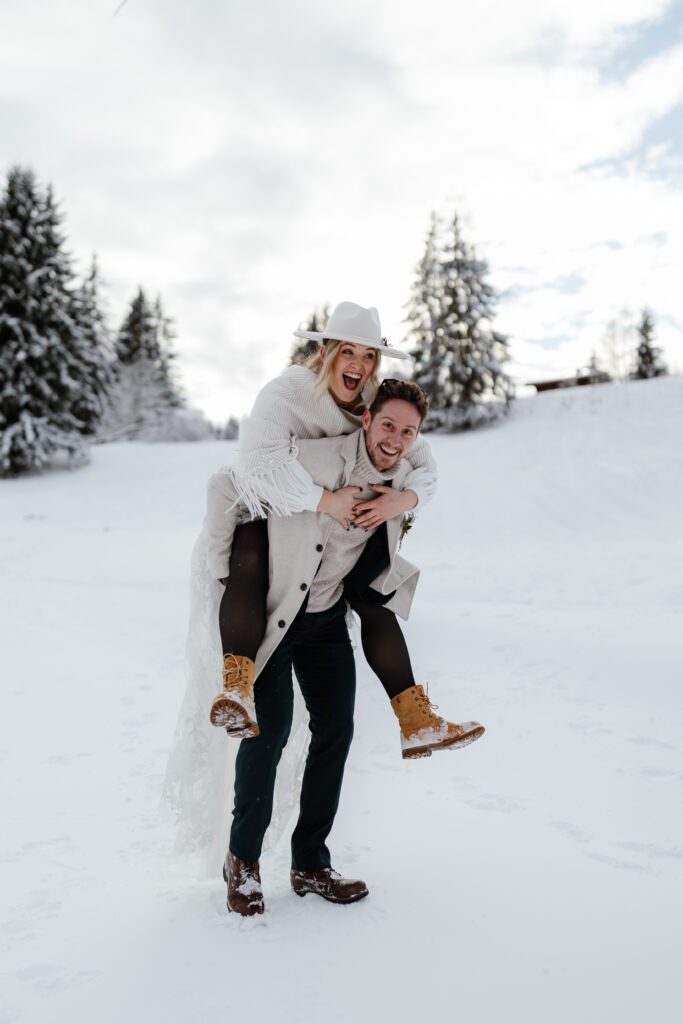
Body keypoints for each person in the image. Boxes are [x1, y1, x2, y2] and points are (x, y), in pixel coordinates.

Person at [224, 383, 484, 915]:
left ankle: (310, 863)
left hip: (324, 622)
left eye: (408, 432)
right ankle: (242, 863)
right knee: (267, 736)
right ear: (365, 419)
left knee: (336, 733)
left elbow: (431, 477)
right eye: (387, 425)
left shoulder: (404, 474)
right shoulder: (314, 458)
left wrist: (404, 498)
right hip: (275, 617)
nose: (396, 439)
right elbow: (246, 475)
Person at [204, 301, 483, 759]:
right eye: (349, 351)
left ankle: (415, 720)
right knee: (250, 555)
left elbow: (418, 455)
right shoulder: (287, 394)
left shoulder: (370, 404)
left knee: (372, 590)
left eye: (369, 355)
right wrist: (325, 501)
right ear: (327, 351)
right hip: (254, 503)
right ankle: (237, 687)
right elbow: (251, 468)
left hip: (320, 530)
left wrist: (404, 498)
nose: (359, 365)